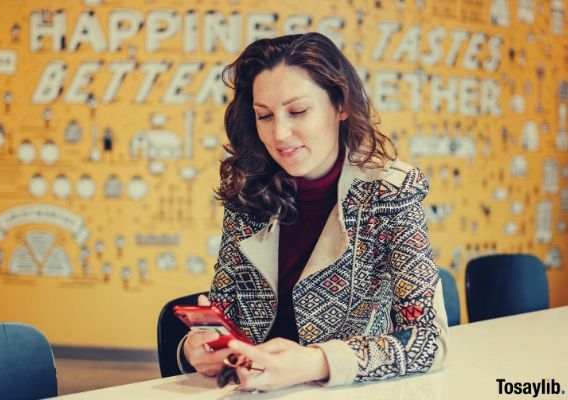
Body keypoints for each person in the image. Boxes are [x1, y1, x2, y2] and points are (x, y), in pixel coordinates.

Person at [179, 32, 448, 391]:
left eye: (298, 111)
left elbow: (429, 342)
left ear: (341, 105)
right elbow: (227, 316)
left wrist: (317, 362)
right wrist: (199, 347)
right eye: (264, 116)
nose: (280, 134)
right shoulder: (248, 191)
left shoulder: (391, 191)